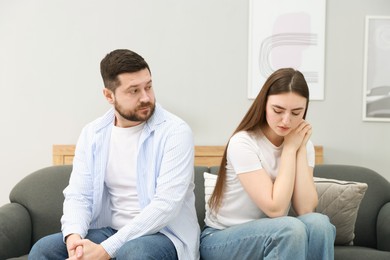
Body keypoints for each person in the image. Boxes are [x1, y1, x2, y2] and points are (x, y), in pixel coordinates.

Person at [29, 49, 200, 260]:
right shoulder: (93, 134)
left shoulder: (175, 131)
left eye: (148, 86)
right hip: (109, 231)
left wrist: (105, 250)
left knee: (135, 253)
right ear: (109, 96)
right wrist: (74, 237)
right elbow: (79, 195)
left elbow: (166, 205)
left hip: (163, 235)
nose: (146, 97)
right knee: (44, 249)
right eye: (134, 91)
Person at [200, 68, 336, 260]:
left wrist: (299, 149)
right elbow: (276, 209)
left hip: (271, 233)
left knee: (319, 224)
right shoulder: (243, 143)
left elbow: (305, 209)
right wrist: (289, 149)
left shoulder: (303, 145)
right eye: (278, 110)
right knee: (290, 228)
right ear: (264, 104)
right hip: (221, 238)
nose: (286, 120)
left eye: (297, 112)